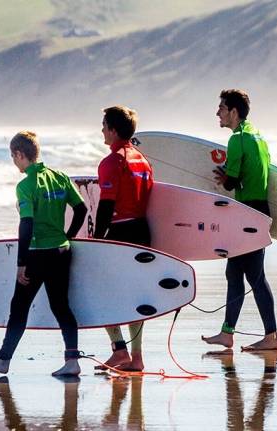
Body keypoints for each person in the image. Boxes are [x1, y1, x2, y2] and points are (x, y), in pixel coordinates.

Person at [0, 131, 87, 376]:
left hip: (37, 254)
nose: (13, 162)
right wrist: (68, 237)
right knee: (61, 306)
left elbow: (26, 224)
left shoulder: (26, 186)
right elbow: (81, 209)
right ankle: (72, 360)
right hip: (60, 251)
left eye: (12, 156)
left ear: (19, 154)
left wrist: (21, 262)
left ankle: (4, 360)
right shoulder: (60, 177)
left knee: (20, 306)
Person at [201, 89, 277, 351]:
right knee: (234, 272)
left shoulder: (238, 139)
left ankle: (271, 337)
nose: (218, 113)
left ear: (233, 112)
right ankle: (227, 333)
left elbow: (232, 182)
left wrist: (224, 179)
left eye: (221, 108)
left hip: (248, 213)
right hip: (256, 210)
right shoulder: (258, 136)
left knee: (255, 276)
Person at [93, 106, 154, 372]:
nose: (102, 130)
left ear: (114, 130)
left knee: (103, 294)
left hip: (121, 233)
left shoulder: (112, 161)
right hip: (143, 231)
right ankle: (136, 357)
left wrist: (96, 240)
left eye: (104, 125)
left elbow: (106, 206)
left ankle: (120, 351)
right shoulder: (142, 159)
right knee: (135, 296)